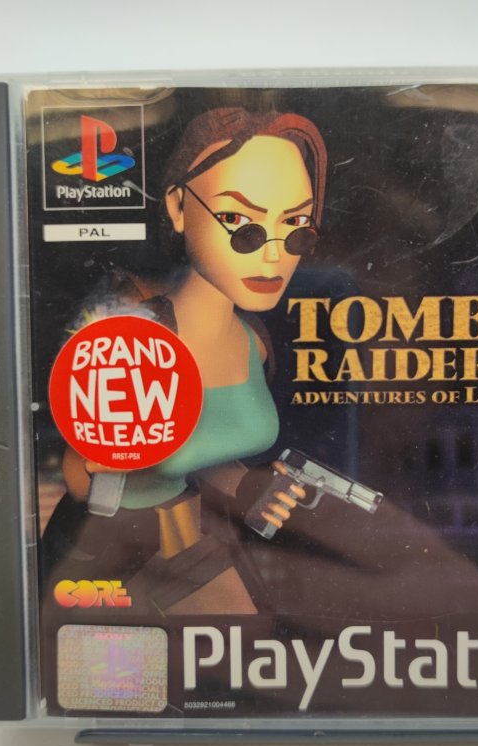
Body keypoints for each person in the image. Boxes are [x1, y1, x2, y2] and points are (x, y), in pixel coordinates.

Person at [41, 108, 328, 615]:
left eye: (296, 226)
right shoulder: (138, 340)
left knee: (248, 653)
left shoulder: (254, 342)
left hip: (186, 542)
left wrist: (248, 487)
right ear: (177, 207)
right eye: (239, 222)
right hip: (108, 552)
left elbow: (199, 458)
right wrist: (107, 454)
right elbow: (80, 476)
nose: (273, 255)